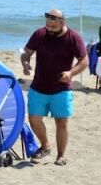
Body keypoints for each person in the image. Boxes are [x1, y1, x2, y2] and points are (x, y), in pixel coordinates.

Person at [20, 9, 88, 166]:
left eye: (53, 26)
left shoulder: (73, 37)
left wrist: (71, 73)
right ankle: (45, 146)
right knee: (34, 119)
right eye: (48, 25)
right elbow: (26, 53)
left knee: (61, 122)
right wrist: (25, 63)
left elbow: (84, 61)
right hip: (38, 86)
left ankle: (61, 156)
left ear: (62, 22)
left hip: (61, 89)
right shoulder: (40, 34)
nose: (49, 29)